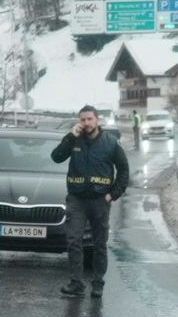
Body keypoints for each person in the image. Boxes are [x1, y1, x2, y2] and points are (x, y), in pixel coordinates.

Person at [50, 103, 131, 299]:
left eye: (90, 119)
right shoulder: (74, 140)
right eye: (83, 119)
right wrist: (70, 137)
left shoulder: (110, 143)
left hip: (99, 200)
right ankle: (76, 283)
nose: (86, 123)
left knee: (99, 244)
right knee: (74, 241)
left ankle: (98, 283)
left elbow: (124, 170)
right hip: (77, 199)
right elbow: (56, 157)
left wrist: (113, 194)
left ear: (97, 120)